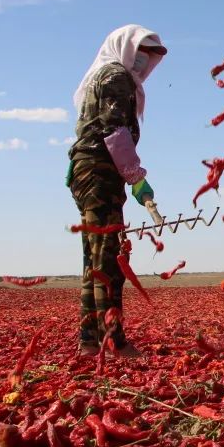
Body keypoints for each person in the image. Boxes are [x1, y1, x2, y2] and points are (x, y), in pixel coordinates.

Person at [67, 25, 167, 356]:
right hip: (100, 172)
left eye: (149, 56)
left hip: (90, 171)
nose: (143, 61)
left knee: (95, 258)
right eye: (140, 51)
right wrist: (135, 177)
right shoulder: (115, 76)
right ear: (124, 47)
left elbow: (90, 128)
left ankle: (90, 342)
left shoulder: (101, 76)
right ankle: (113, 342)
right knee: (109, 260)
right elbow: (113, 131)